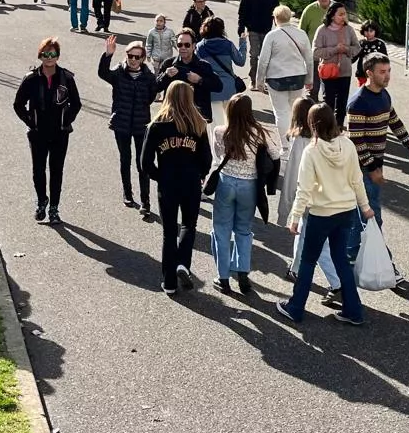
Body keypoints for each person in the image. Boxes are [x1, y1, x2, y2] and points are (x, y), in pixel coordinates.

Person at [276, 104, 372, 325]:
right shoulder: (347, 145)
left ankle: (296, 307)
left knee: (308, 261)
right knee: (341, 260)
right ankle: (353, 310)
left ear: (312, 124)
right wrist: (365, 207)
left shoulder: (312, 150)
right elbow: (356, 179)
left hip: (321, 213)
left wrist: (295, 217)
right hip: (346, 210)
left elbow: (304, 188)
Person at [140, 81, 212, 296]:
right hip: (191, 182)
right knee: (189, 226)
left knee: (169, 232)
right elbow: (206, 159)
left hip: (168, 182)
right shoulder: (198, 123)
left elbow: (144, 162)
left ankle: (169, 282)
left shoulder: (157, 125)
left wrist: (158, 176)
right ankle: (183, 263)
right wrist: (200, 174)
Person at [208, 94, 281, 295]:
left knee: (221, 229)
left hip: (226, 182)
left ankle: (223, 277)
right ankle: (242, 273)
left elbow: (218, 156)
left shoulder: (221, 131)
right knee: (243, 230)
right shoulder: (259, 133)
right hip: (249, 184)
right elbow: (276, 155)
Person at [278, 96, 343, 306]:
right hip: (332, 197)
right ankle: (295, 269)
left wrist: (286, 210)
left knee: (318, 246)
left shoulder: (300, 141)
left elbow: (292, 178)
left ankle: (338, 285)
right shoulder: (333, 139)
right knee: (304, 235)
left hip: (311, 200)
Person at [13, 36, 81, 224]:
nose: (49, 57)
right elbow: (18, 104)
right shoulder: (31, 79)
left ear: (58, 56)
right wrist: (30, 121)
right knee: (38, 170)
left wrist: (66, 120)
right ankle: (42, 201)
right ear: (40, 56)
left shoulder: (66, 78)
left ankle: (54, 208)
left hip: (60, 133)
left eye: (53, 54)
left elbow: (76, 103)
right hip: (37, 133)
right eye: (45, 54)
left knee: (56, 170)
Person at [346, 51, 409, 230]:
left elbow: (394, 121)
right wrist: (372, 168)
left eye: (389, 70)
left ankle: (361, 251)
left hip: (377, 162)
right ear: (369, 73)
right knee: (370, 210)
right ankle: (368, 253)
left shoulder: (384, 95)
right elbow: (356, 140)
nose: (387, 75)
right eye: (382, 72)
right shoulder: (358, 102)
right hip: (363, 166)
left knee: (368, 209)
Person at [100, 36, 156, 217]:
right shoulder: (118, 72)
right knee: (125, 159)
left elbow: (151, 97)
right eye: (130, 56)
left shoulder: (148, 77)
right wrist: (107, 55)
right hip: (121, 123)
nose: (133, 60)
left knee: (143, 163)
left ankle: (146, 201)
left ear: (143, 59)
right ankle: (128, 193)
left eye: (137, 57)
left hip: (141, 125)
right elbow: (103, 73)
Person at [256, 3, 312, 140]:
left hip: (276, 78)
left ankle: (285, 144)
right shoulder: (301, 34)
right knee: (296, 111)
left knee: (281, 113)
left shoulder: (271, 36)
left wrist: (259, 81)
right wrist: (309, 79)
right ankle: (297, 140)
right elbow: (309, 59)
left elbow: (263, 61)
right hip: (298, 76)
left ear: (275, 18)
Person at [155, 30, 223, 121]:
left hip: (196, 117)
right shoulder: (168, 64)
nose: (183, 48)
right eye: (180, 45)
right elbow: (155, 88)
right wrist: (165, 76)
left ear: (194, 46)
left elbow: (218, 86)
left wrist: (200, 80)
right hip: (172, 116)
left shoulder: (203, 66)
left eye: (187, 45)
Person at [312, 2, 359, 124]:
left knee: (342, 103)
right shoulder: (322, 30)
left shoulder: (349, 29)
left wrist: (347, 50)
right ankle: (327, 128)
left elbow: (357, 48)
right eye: (341, 14)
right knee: (329, 103)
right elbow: (316, 52)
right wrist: (334, 50)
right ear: (332, 16)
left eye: (345, 14)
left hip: (345, 72)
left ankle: (338, 128)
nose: (344, 17)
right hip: (328, 72)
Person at [236, 0, 279, 90]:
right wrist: (241, 30)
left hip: (267, 30)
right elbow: (242, 15)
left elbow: (277, 13)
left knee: (265, 56)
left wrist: (279, 28)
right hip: (253, 30)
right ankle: (253, 80)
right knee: (254, 55)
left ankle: (264, 80)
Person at [195, 17, 247, 112]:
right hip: (230, 89)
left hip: (211, 89)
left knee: (216, 124)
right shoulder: (228, 44)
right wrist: (243, 43)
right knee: (230, 123)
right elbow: (241, 61)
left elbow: (196, 68)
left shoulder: (200, 47)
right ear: (221, 29)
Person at [299, 0, 334, 100]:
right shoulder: (309, 10)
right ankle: (311, 113)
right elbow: (301, 32)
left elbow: (345, 30)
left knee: (330, 88)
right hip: (312, 54)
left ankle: (327, 113)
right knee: (312, 87)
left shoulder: (337, 9)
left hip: (331, 54)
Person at [354, 19, 388, 85]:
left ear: (375, 31)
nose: (369, 33)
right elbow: (354, 56)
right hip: (362, 74)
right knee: (363, 93)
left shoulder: (380, 44)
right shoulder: (360, 43)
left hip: (376, 74)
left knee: (375, 92)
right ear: (363, 31)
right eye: (366, 31)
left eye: (371, 31)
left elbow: (385, 60)